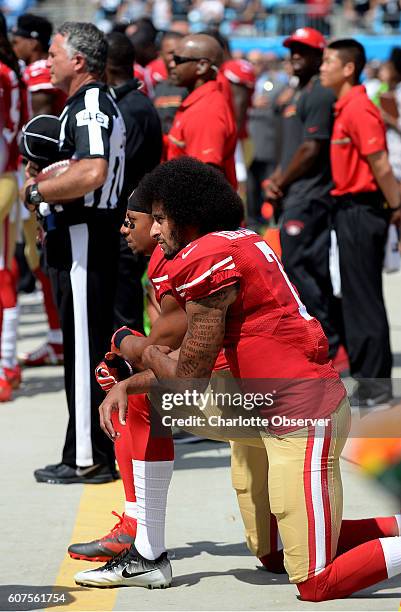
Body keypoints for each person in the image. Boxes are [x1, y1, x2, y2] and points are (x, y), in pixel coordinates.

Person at [133, 157, 401, 602]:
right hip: (260, 406)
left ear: (189, 214)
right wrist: (128, 382)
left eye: (160, 218)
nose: (155, 231)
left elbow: (189, 380)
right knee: (273, 552)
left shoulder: (208, 256)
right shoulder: (233, 240)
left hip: (300, 412)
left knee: (316, 582)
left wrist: (136, 348)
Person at [23, 22, 126, 484]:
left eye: (55, 53)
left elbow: (91, 173)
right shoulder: (84, 104)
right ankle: (83, 448)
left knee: (86, 349)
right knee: (83, 346)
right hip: (81, 233)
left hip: (86, 232)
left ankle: (89, 456)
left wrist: (37, 190)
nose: (49, 61)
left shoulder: (89, 104)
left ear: (79, 61)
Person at [320, 39, 401, 406]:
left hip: (362, 210)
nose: (323, 68)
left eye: (328, 62)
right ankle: (370, 384)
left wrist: (398, 207)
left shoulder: (359, 109)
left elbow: (380, 164)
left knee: (364, 300)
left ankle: (377, 387)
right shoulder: (344, 106)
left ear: (348, 68)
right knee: (355, 298)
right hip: (349, 209)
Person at [263, 27, 340, 360]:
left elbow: (311, 148)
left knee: (305, 270)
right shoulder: (298, 92)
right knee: (298, 269)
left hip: (311, 195)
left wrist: (279, 179)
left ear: (319, 56)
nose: (295, 55)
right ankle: (325, 343)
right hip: (295, 193)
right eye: (292, 49)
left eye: (303, 50)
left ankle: (328, 345)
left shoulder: (320, 93)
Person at [12, 13, 66, 368]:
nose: (14, 43)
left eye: (19, 38)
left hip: (41, 170)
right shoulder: (32, 69)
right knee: (39, 258)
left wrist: (34, 171)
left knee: (43, 256)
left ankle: (57, 337)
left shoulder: (38, 71)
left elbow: (42, 129)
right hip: (43, 170)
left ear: (34, 40)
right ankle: (56, 335)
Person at [106, 31, 162, 332]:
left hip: (130, 220)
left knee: (124, 304)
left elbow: (121, 172)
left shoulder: (132, 108)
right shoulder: (127, 103)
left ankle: (130, 367)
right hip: (129, 217)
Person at [166, 34, 237, 189]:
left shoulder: (207, 110)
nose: (171, 64)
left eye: (178, 60)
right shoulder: (199, 102)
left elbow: (204, 177)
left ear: (202, 66)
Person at [0, 11, 27, 401]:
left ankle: (5, 362)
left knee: (3, 268)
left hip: (4, 175)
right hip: (10, 173)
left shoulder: (4, 72)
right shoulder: (11, 70)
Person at [152, 31, 187, 138]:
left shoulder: (191, 86)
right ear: (160, 55)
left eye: (179, 52)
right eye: (171, 52)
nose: (175, 56)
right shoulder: (158, 88)